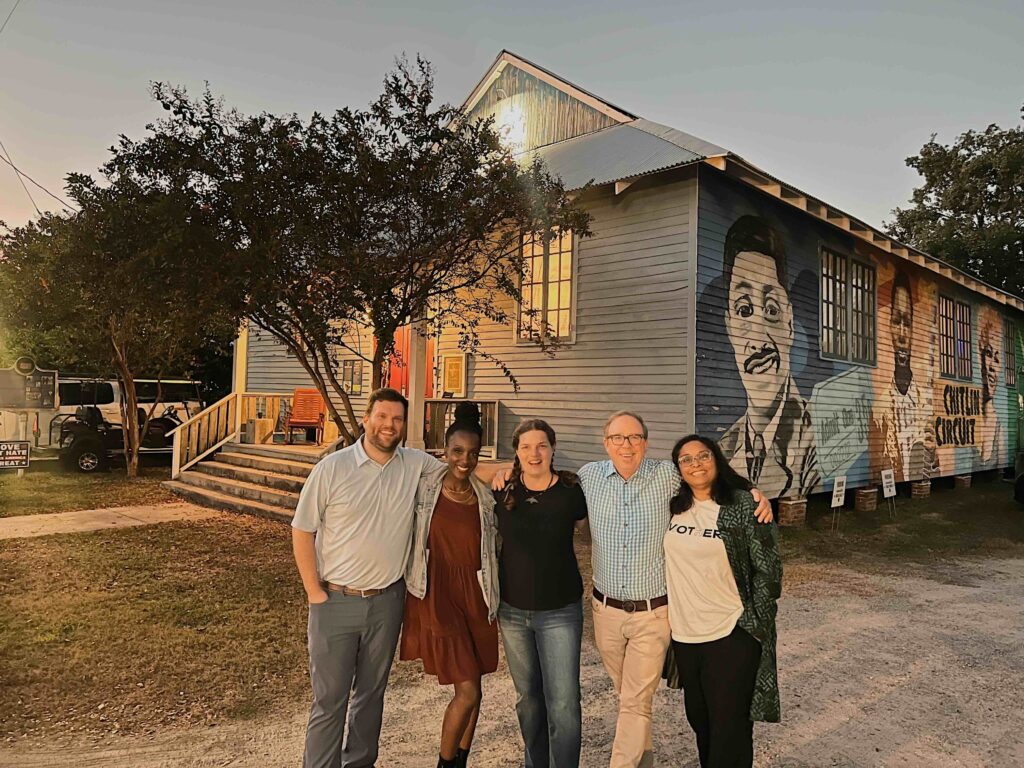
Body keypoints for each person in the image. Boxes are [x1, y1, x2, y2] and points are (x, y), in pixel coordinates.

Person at [494, 411, 772, 768]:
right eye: (618, 438)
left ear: (645, 442)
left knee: (634, 702)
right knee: (630, 699)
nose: (626, 446)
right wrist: (505, 469)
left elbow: (708, 472)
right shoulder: (588, 478)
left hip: (653, 613)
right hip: (605, 612)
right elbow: (526, 474)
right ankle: (642, 759)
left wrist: (751, 490)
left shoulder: (667, 475)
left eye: (634, 438)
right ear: (606, 442)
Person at [291, 388, 443, 768]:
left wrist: (513, 468)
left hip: (387, 603)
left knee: (372, 694)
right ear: (367, 418)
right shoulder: (333, 468)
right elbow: (302, 529)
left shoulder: (415, 465)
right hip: (335, 601)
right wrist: (314, 592)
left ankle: (360, 762)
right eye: (382, 416)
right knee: (330, 699)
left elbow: (461, 470)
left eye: (397, 419)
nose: (389, 425)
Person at [663, 434, 781, 768]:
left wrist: (755, 624)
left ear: (716, 459)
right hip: (685, 637)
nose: (695, 464)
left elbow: (769, 570)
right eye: (686, 459)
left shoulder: (742, 505)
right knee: (701, 722)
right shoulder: (674, 508)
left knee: (730, 729)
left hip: (731, 633)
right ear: (678, 469)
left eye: (703, 456)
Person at [402, 403, 500, 768]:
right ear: (444, 452)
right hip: (438, 595)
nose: (465, 459)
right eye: (457, 451)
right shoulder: (424, 485)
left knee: (477, 688)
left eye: (473, 453)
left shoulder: (486, 497)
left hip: (477, 594)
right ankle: (444, 763)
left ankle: (460, 760)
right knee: (468, 688)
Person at [496, 419, 588, 768]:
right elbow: (463, 465)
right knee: (528, 699)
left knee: (563, 702)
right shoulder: (503, 490)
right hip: (512, 611)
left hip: (560, 611)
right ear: (516, 453)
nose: (534, 453)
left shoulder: (571, 492)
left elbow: (585, 524)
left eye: (542, 445)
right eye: (526, 447)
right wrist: (500, 469)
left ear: (552, 448)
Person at [717, 215, 819, 498]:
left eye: (772, 310)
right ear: (728, 327)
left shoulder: (818, 438)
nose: (759, 339)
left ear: (789, 323)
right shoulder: (723, 449)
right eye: (744, 310)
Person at [875, 269, 936, 480]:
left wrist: (933, 456)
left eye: (907, 323)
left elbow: (933, 465)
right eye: (896, 321)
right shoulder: (879, 409)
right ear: (888, 326)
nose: (902, 334)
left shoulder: (924, 403)